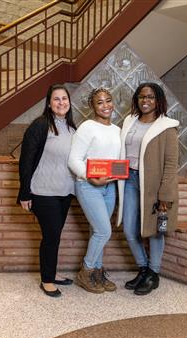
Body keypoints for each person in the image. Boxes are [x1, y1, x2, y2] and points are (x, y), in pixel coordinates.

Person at [117, 82, 179, 296]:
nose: (146, 101)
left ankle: (154, 273)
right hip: (130, 180)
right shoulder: (129, 121)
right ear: (137, 99)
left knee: (154, 231)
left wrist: (165, 194)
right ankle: (143, 267)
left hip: (153, 185)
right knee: (129, 229)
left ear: (158, 100)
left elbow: (171, 163)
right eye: (142, 97)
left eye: (150, 97)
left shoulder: (167, 127)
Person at [17, 84, 76, 298]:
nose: (61, 102)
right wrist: (25, 193)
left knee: (55, 235)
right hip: (43, 192)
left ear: (69, 102)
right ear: (49, 104)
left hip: (65, 192)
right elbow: (26, 161)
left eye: (64, 98)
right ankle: (47, 280)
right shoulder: (40, 125)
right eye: (56, 99)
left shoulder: (72, 128)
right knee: (51, 236)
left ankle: (51, 272)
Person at [68, 87, 121, 294]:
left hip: (110, 187)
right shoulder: (87, 127)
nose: (105, 105)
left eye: (108, 100)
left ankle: (97, 272)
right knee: (103, 230)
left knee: (97, 231)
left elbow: (116, 161)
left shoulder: (117, 130)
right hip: (88, 185)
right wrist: (90, 178)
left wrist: (118, 174)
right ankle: (86, 271)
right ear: (92, 106)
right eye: (100, 102)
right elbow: (73, 160)